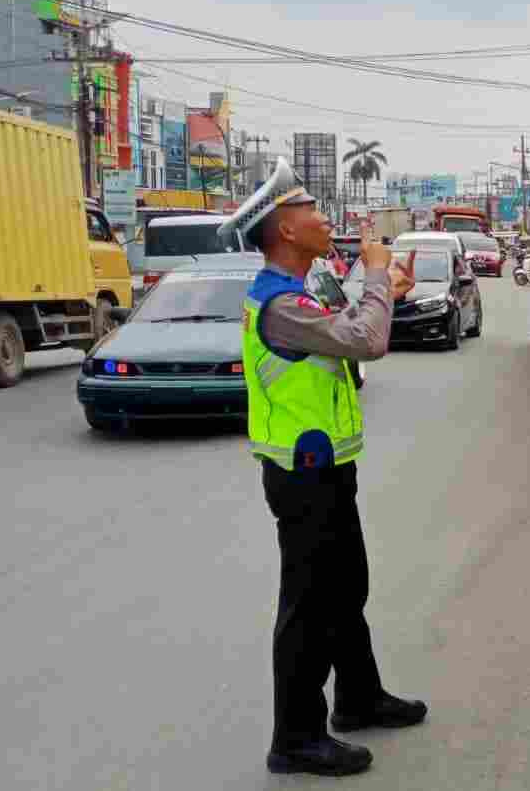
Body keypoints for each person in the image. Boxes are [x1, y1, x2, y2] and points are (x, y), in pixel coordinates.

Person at [220, 161, 426, 778]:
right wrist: (373, 276)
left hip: (329, 464)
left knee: (345, 589)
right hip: (302, 474)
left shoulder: (307, 290)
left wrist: (387, 286)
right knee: (308, 605)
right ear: (285, 229)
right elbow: (367, 341)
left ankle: (358, 699)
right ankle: (295, 738)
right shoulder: (280, 304)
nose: (323, 216)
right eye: (310, 208)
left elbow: (360, 323)